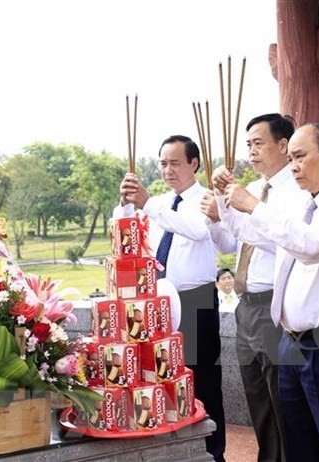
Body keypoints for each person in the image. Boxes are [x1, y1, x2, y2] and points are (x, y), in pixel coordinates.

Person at [221, 122, 319, 461]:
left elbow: (313, 246)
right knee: (301, 445)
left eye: (301, 157)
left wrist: (254, 206)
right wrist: (226, 199)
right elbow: (255, 233)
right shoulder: (299, 203)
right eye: (290, 158)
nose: (294, 167)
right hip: (292, 340)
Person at [115, 135, 229, 461]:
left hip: (195, 301)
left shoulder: (206, 199)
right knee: (164, 379)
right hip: (160, 302)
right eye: (163, 163)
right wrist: (126, 201)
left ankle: (213, 452)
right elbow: (132, 232)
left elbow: (194, 228)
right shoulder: (162, 202)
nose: (168, 170)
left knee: (202, 380)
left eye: (175, 162)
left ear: (194, 163)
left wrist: (148, 202)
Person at [210, 113, 295, 462]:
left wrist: (250, 206)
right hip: (248, 304)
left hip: (274, 302)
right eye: (248, 145)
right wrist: (221, 197)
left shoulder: (294, 190)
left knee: (281, 399)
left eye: (259, 143)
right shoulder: (258, 189)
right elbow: (236, 233)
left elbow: (280, 239)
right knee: (257, 395)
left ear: (283, 145)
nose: (252, 152)